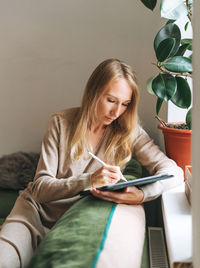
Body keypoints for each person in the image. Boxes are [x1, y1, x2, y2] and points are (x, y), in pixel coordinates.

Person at [0, 58, 184, 268]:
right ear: (93, 92)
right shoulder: (61, 123)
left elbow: (174, 172)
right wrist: (89, 180)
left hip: (68, 222)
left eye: (125, 104)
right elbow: (40, 189)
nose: (117, 112)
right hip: (34, 212)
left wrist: (142, 195)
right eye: (111, 100)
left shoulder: (128, 131)